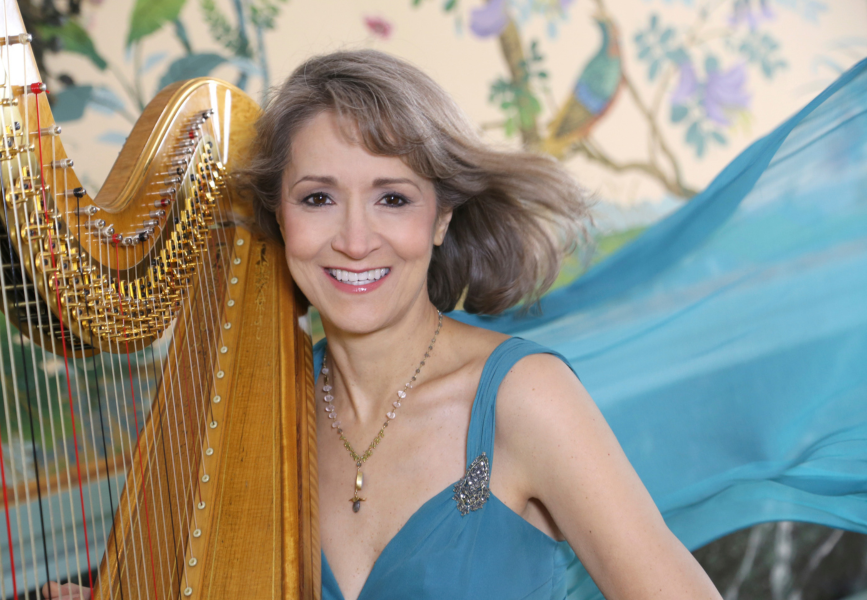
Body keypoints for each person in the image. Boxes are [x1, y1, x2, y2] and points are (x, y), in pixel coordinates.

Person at [44, 49, 722, 600]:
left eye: (392, 198)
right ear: (280, 217)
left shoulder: (525, 399)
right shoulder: (259, 418)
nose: (354, 240)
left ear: (442, 218)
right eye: (318, 198)